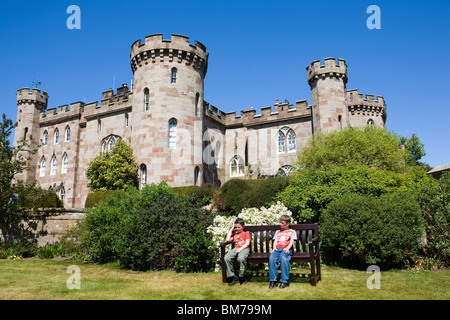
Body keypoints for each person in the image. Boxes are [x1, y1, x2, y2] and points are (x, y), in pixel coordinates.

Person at [269, 215, 297, 289]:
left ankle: (284, 281)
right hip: (277, 249)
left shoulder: (292, 231)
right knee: (272, 258)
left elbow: (292, 241)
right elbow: (275, 240)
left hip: (286, 249)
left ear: (288, 224)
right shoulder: (278, 232)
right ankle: (273, 280)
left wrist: (288, 248)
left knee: (283, 258)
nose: (280, 224)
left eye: (282, 223)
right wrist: (274, 248)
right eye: (280, 222)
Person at [224, 218, 251, 286]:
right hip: (236, 248)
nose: (237, 229)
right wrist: (231, 229)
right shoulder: (234, 235)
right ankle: (232, 276)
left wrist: (241, 249)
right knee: (226, 257)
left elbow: (247, 243)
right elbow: (227, 240)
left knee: (241, 258)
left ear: (243, 227)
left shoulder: (246, 234)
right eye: (236, 227)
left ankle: (242, 275)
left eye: (239, 227)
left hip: (244, 248)